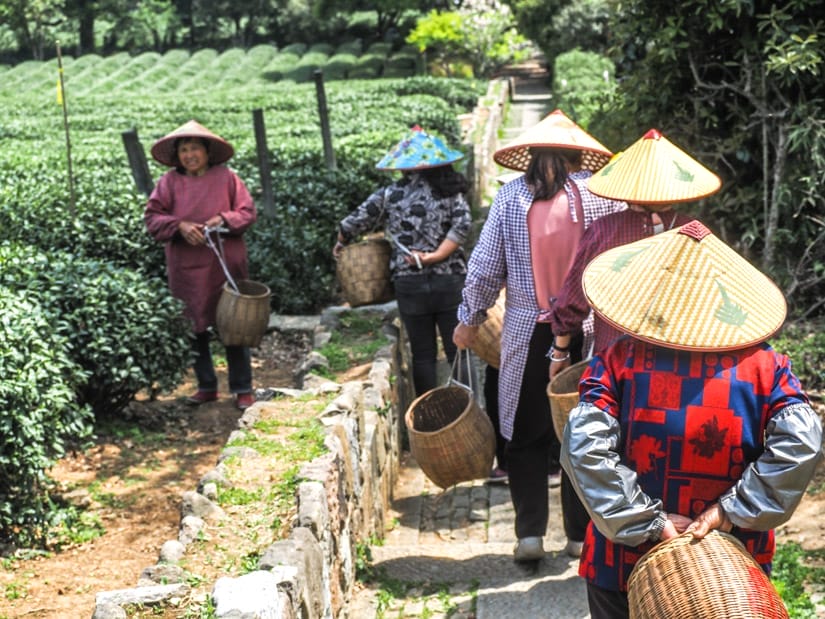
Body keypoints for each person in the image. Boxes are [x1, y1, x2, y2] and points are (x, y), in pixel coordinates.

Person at [560, 219, 823, 619]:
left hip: (623, 562)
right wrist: (730, 513)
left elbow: (584, 449)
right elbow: (802, 443)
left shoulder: (617, 362)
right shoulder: (767, 367)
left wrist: (650, 523)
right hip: (730, 570)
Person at [452, 109, 626, 562]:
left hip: (529, 330)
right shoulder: (600, 197)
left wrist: (469, 319)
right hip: (590, 332)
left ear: (529, 157)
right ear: (577, 154)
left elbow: (485, 268)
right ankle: (578, 535)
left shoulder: (510, 199)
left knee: (525, 435)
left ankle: (529, 534)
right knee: (582, 433)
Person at [549, 129, 720, 375]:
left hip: (616, 358)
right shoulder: (695, 231)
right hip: (680, 356)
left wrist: (560, 352)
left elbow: (573, 301)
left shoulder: (604, 231)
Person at [333, 125, 472, 396]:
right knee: (458, 351)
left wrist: (340, 241)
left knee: (423, 355)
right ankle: (467, 408)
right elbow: (463, 226)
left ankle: (428, 416)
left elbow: (352, 222)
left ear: (405, 166)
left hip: (410, 284)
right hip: (450, 281)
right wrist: (437, 256)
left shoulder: (390, 195)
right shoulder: (452, 193)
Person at [144, 119, 258, 411]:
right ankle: (206, 386)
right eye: (184, 149)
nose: (190, 155)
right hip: (186, 266)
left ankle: (243, 388)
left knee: (234, 323)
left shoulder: (228, 178)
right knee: (194, 326)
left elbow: (247, 212)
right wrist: (179, 226)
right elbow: (153, 218)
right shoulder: (168, 182)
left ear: (207, 152)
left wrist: (223, 219)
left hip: (224, 264)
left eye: (195, 148)